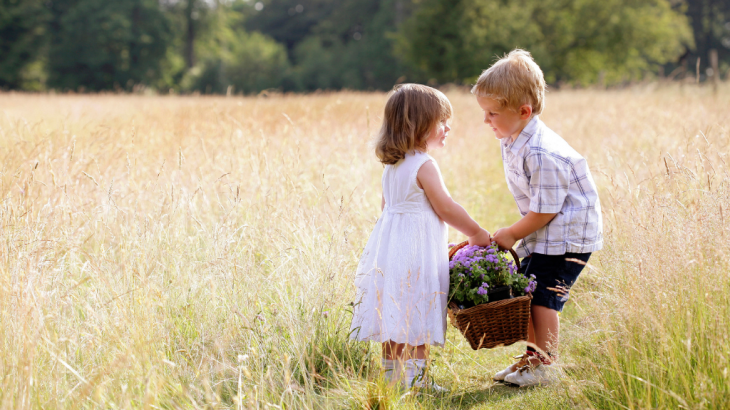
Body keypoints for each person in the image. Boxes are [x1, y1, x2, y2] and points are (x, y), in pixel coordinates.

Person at [472, 50, 603, 387]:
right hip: (546, 234)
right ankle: (532, 358)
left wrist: (513, 233)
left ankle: (545, 365)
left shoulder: (541, 151)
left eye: (491, 113)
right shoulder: (513, 136)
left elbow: (547, 209)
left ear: (523, 111)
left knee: (543, 298)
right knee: (526, 294)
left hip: (566, 236)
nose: (486, 121)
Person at [350, 83, 492, 390]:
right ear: (419, 125)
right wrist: (476, 233)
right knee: (417, 308)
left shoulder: (393, 167)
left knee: (394, 311)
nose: (447, 127)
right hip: (416, 252)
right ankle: (415, 382)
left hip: (391, 251)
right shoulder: (425, 165)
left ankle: (393, 378)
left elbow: (387, 209)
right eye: (441, 121)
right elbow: (447, 208)